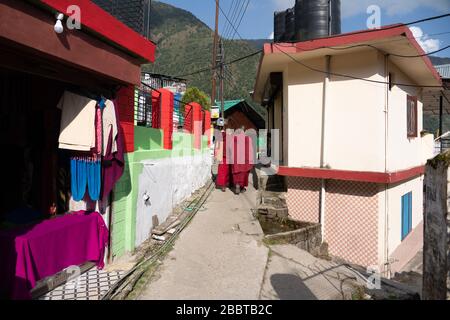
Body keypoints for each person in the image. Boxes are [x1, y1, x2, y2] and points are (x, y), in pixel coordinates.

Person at [230, 128, 254, 195]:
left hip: (236, 160)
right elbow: (251, 150)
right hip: (245, 161)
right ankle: (242, 187)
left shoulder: (233, 139)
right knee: (244, 175)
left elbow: (230, 149)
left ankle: (237, 185)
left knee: (237, 174)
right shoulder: (248, 139)